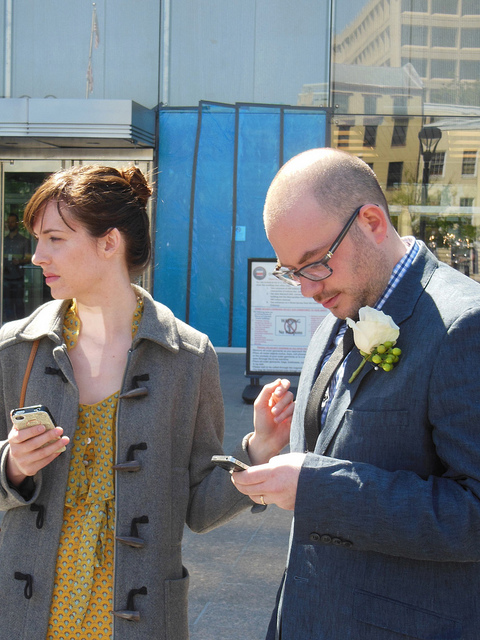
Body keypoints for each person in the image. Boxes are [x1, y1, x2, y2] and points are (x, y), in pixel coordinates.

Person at [0, 165, 293, 640]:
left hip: (140, 619)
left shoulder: (187, 357)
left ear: (109, 242)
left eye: (54, 239)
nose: (37, 256)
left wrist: (258, 450)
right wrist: (12, 465)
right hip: (25, 618)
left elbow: (199, 508)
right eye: (38, 240)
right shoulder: (16, 350)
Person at [232, 147, 480, 639]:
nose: (306, 290)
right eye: (291, 271)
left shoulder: (464, 325)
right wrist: (277, 447)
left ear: (372, 222)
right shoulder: (338, 313)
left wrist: (318, 488)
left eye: (315, 263)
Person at [3, 213, 31, 321]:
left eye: (12, 222)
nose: (10, 224)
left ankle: (20, 326)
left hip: (18, 277)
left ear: (17, 223)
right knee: (7, 304)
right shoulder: (3, 241)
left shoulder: (24, 240)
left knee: (19, 303)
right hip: (5, 277)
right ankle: (8, 327)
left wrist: (19, 261)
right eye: (8, 222)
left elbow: (28, 259)